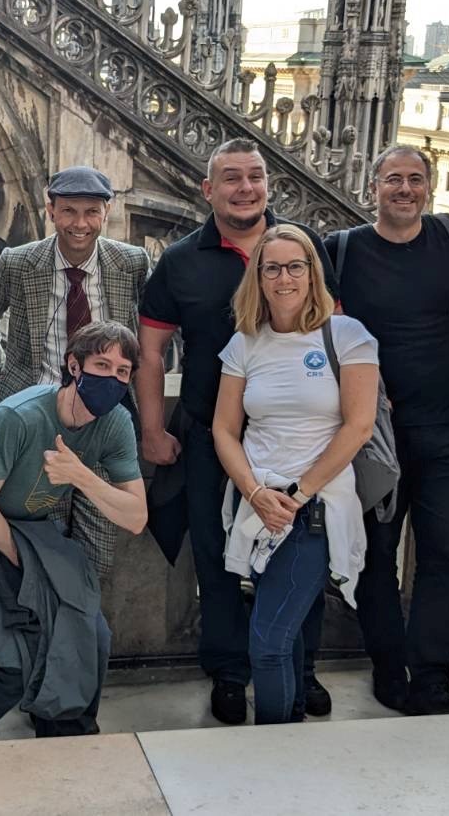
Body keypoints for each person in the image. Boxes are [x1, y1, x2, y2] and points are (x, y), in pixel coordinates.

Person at [137, 138, 337, 725]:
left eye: (255, 176)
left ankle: (303, 668)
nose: (245, 188)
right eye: (231, 178)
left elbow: (335, 334)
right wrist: (152, 427)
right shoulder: (180, 260)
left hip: (297, 435)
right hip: (207, 432)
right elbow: (150, 351)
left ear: (269, 185)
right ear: (208, 189)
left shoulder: (303, 248)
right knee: (216, 553)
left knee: (303, 550)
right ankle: (229, 670)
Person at [0, 321, 147, 740]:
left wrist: (82, 476)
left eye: (123, 371)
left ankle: (64, 724)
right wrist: (32, 568)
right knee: (14, 664)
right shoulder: (19, 416)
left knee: (91, 634)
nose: (112, 378)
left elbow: (136, 516)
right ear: (74, 365)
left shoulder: (115, 423)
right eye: (102, 365)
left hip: (34, 531)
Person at [213, 224, 378, 725]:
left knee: (267, 642)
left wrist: (297, 494)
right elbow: (224, 429)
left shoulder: (347, 335)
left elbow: (359, 425)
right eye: (272, 268)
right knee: (281, 633)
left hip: (314, 509)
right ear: (257, 278)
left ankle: (274, 749)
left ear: (312, 273)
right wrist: (256, 491)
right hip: (258, 504)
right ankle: (286, 743)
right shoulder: (244, 342)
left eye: (295, 266)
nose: (284, 278)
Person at [331, 144, 449, 716]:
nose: (405, 189)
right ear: (374, 189)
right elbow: (330, 329)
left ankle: (433, 676)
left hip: (444, 424)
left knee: (444, 553)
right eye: (394, 180)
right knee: (375, 553)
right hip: (376, 430)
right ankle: (389, 668)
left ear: (429, 188)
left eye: (416, 180)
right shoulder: (343, 249)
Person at [0, 165, 149, 578]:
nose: (79, 224)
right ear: (50, 209)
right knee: (35, 549)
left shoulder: (132, 264)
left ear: (106, 212)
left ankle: (79, 632)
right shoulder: (20, 262)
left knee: (95, 558)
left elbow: (154, 338)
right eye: (68, 211)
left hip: (100, 425)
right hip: (36, 426)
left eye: (90, 212)